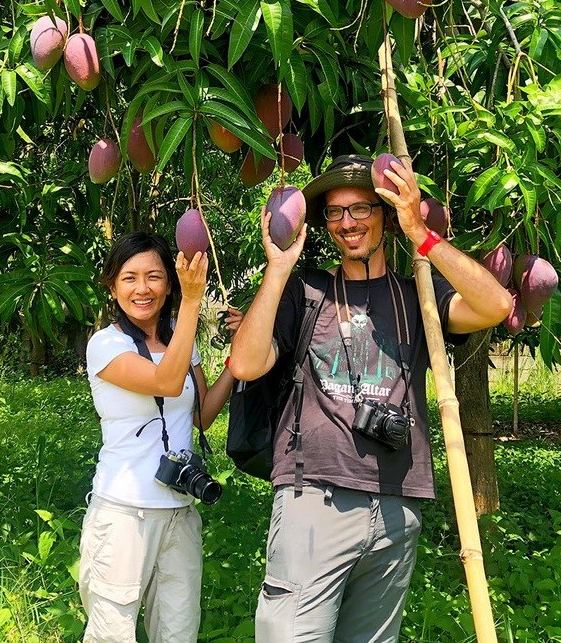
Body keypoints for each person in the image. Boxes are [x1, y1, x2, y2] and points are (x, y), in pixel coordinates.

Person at [228, 154, 513, 643]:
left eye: (361, 209)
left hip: (398, 507)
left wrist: (421, 231)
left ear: (383, 214)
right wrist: (278, 270)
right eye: (336, 213)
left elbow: (496, 305)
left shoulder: (417, 294)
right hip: (314, 496)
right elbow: (246, 364)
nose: (347, 222)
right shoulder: (307, 289)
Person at [80, 231, 240, 643]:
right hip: (123, 514)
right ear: (113, 287)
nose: (142, 288)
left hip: (180, 511)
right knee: (111, 633)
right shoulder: (106, 344)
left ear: (168, 282)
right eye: (129, 277)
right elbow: (166, 382)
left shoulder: (179, 339)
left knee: (178, 631)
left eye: (153, 276)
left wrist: (236, 361)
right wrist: (192, 301)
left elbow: (202, 415)